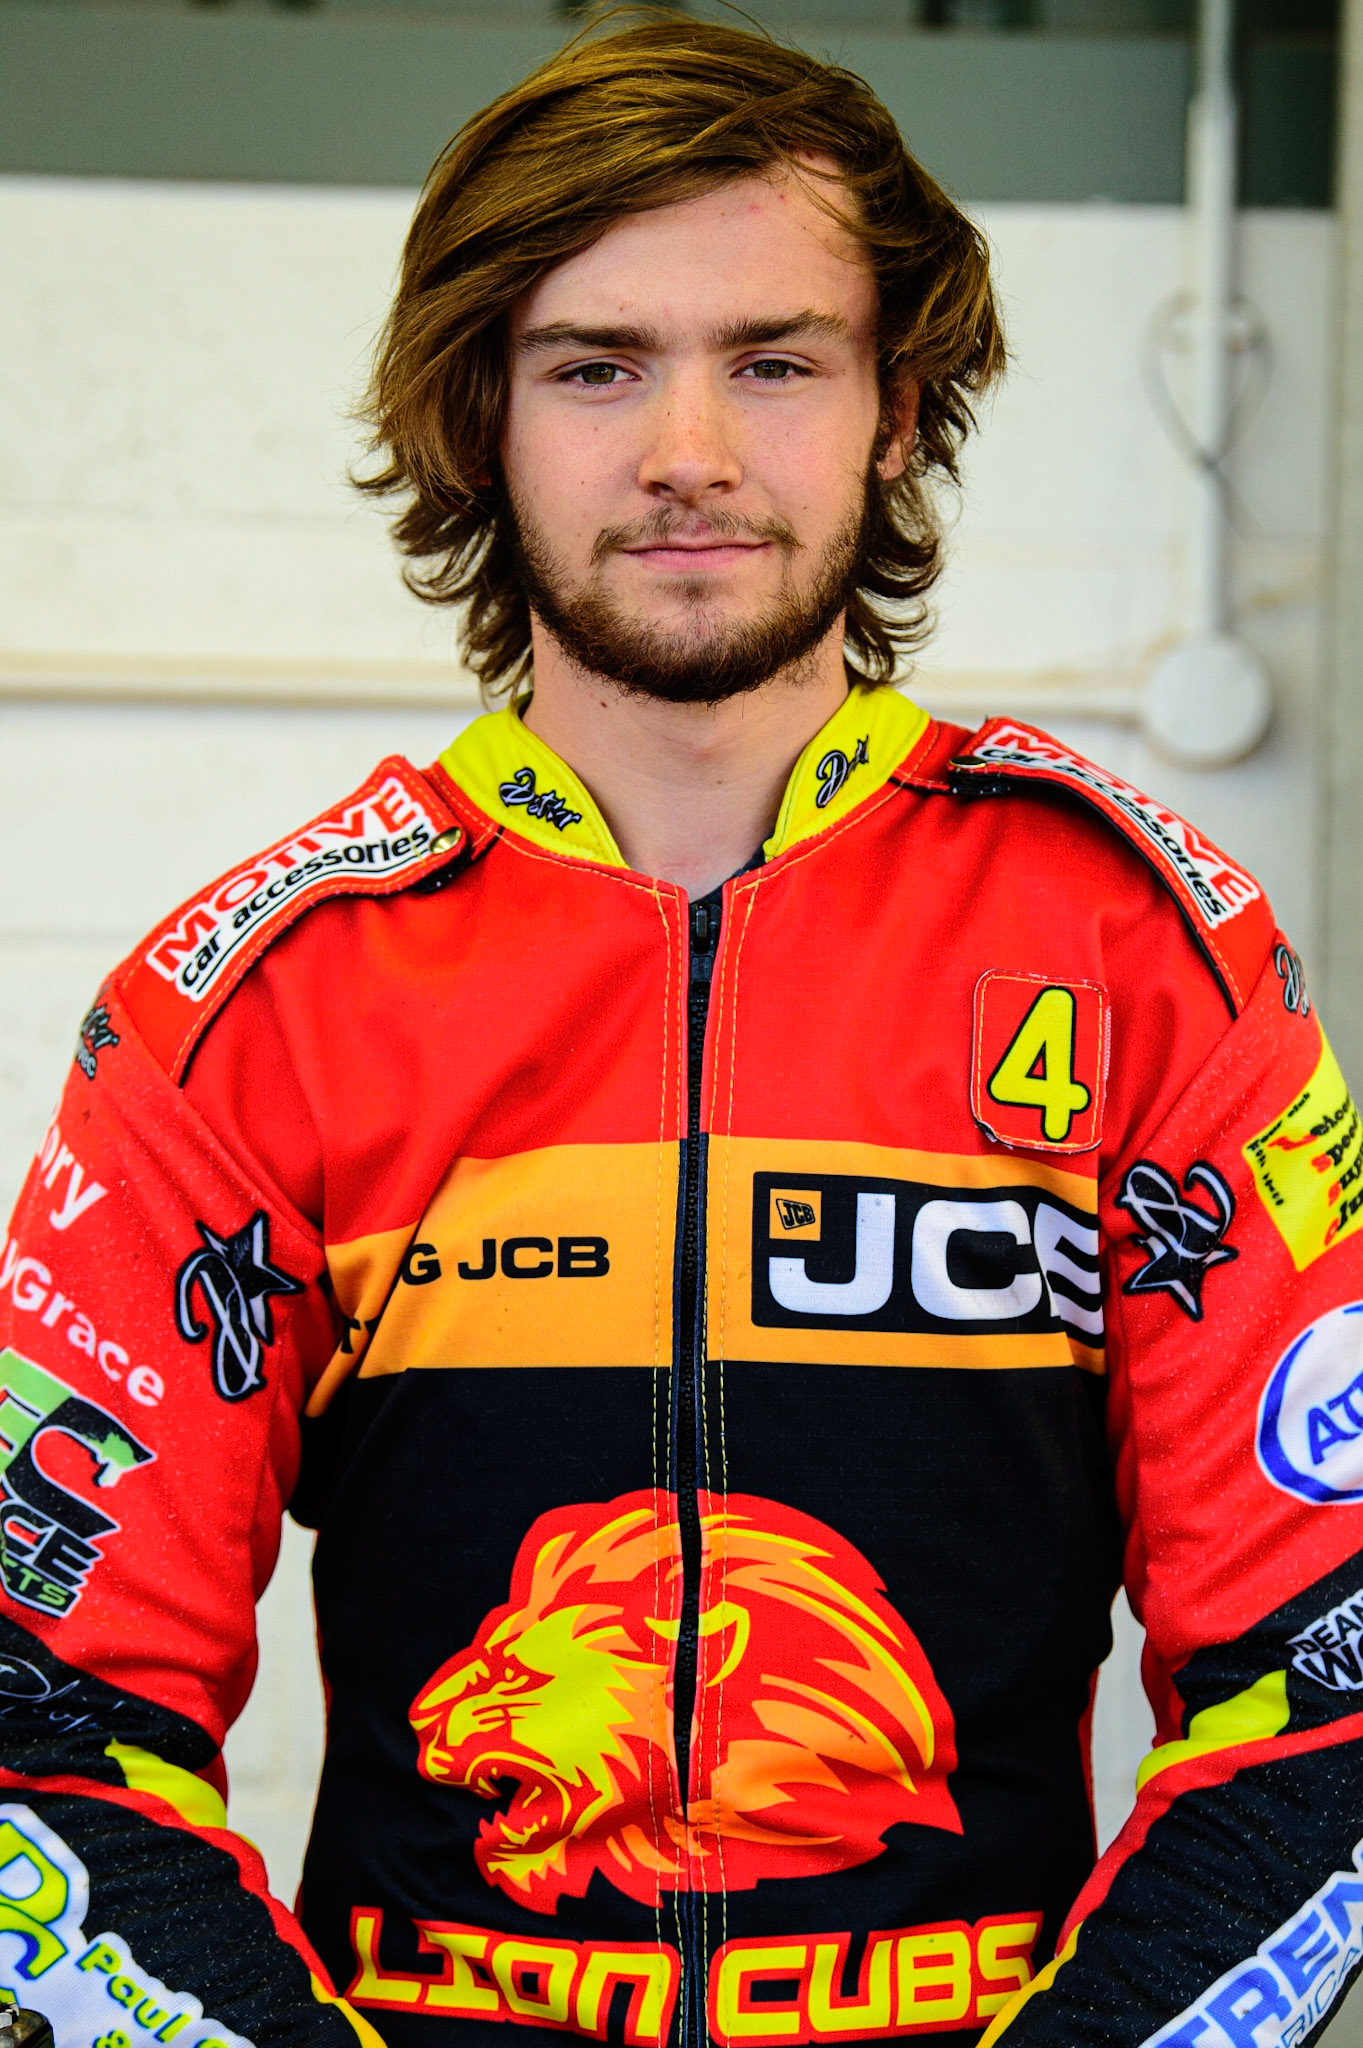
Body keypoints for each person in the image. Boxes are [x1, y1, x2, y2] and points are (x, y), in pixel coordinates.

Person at [1, 14, 1361, 2048]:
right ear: (483, 415)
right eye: (596, 363)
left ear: (898, 410)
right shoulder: (249, 1005)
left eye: (776, 359)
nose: (689, 453)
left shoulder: (1151, 952)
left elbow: (1320, 1691)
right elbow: (47, 1723)